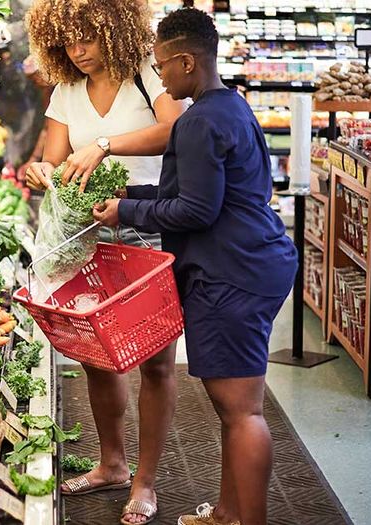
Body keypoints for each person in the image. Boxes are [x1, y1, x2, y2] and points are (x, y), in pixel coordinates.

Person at [92, 8, 298, 525]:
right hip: (255, 260)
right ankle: (228, 513)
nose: (159, 75)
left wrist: (127, 211)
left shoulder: (198, 121)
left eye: (162, 65)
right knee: (236, 413)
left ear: (186, 61)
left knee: (242, 411)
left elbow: (196, 210)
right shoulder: (231, 107)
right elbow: (203, 192)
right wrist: (130, 192)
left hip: (232, 273)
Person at [24, 1, 187, 523]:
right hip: (88, 236)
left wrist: (103, 145)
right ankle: (111, 463)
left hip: (149, 223)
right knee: (97, 353)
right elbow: (51, 158)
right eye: (67, 42)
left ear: (114, 29)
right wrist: (38, 172)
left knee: (157, 360)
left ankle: (146, 483)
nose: (78, 50)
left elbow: (174, 131)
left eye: (87, 38)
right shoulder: (67, 91)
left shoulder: (147, 72)